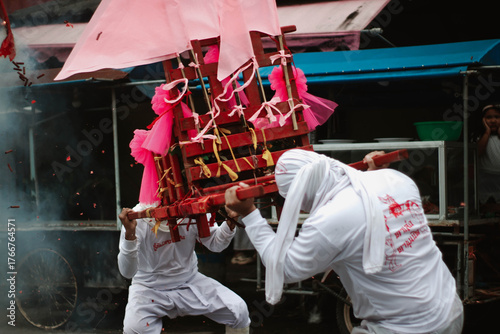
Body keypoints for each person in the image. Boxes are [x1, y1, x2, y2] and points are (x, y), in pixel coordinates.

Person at [225, 149, 463, 334]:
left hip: (408, 326)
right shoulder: (395, 178)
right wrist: (373, 172)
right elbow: (367, 209)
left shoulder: (329, 220)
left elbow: (284, 268)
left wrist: (250, 215)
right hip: (449, 308)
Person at [118, 205, 251, 334]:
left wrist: (230, 221)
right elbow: (127, 272)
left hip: (189, 281)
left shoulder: (194, 208)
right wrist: (130, 235)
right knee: (134, 330)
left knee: (239, 311)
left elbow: (216, 244)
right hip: (149, 287)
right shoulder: (137, 217)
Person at [476, 104, 500, 212]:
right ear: (483, 120)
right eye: (489, 117)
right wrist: (487, 132)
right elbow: (478, 153)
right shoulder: (479, 137)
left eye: (497, 117)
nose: (493, 120)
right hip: (485, 179)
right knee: (486, 207)